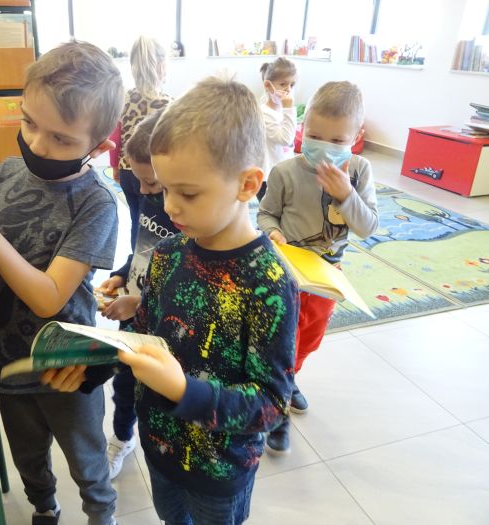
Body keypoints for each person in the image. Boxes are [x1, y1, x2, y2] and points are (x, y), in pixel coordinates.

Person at [0, 41, 124, 525]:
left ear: (98, 146)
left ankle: (101, 514)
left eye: (61, 138)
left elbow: (49, 297)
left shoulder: (97, 203)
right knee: (27, 456)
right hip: (8, 358)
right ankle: (45, 507)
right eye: (29, 123)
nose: (38, 145)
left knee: (87, 461)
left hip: (68, 366)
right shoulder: (9, 171)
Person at [117, 77, 299, 525]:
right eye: (165, 189)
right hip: (159, 449)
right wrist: (91, 363)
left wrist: (184, 391)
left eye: (188, 193)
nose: (170, 207)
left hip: (220, 470)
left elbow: (271, 403)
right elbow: (143, 337)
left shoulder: (268, 282)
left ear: (247, 184)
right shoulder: (166, 254)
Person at [257, 80, 379, 454]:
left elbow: (368, 226)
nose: (324, 147)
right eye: (314, 135)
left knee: (307, 339)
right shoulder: (285, 172)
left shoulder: (359, 172)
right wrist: (273, 232)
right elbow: (265, 214)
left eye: (337, 140)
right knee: (279, 340)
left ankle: (290, 377)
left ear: (356, 136)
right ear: (302, 127)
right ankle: (277, 409)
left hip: (326, 278)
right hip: (284, 273)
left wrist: (346, 194)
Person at [98, 109, 180, 479]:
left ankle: (161, 448)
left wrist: (142, 302)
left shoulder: (183, 215)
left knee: (158, 388)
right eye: (138, 180)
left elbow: (187, 286)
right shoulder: (149, 194)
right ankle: (121, 436)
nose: (142, 192)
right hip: (134, 309)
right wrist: (121, 274)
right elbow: (142, 248)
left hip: (164, 322)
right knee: (124, 381)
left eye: (151, 184)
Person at [109, 35, 172, 249]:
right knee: (154, 223)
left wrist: (115, 166)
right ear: (161, 66)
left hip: (127, 170)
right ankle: (149, 257)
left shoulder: (124, 98)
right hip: (152, 174)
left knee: (136, 219)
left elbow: (115, 136)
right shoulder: (168, 104)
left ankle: (134, 257)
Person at [258, 57, 298, 201]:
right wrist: (289, 110)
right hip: (268, 175)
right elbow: (286, 139)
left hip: (283, 169)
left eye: (292, 84)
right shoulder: (264, 113)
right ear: (268, 86)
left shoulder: (283, 110)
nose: (288, 89)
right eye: (283, 84)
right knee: (270, 209)